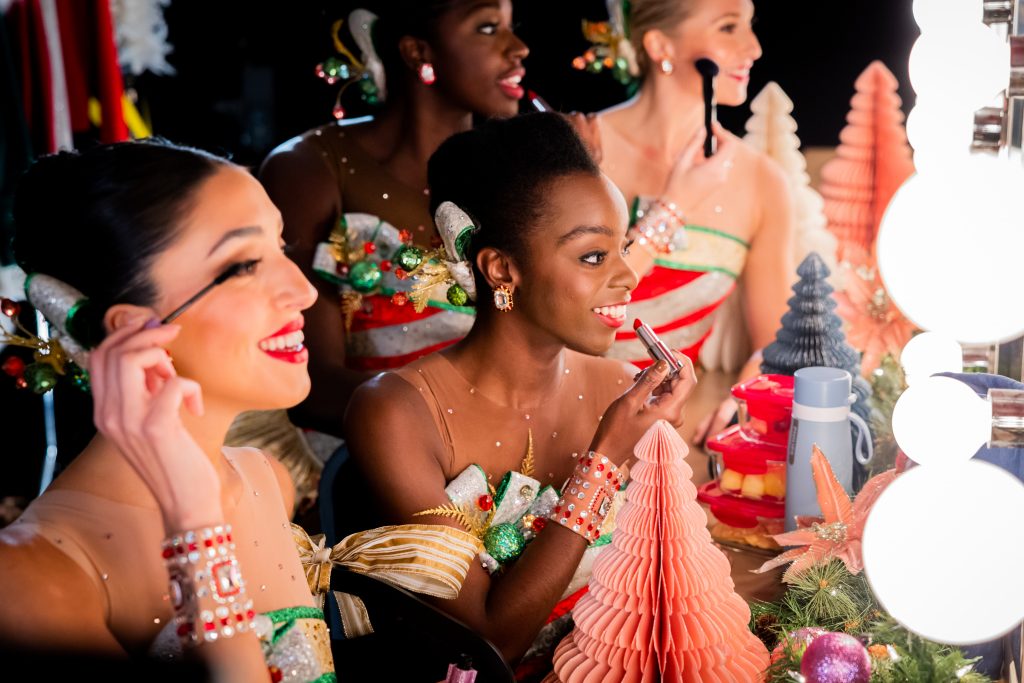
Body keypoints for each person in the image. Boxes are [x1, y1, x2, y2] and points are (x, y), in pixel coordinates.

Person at [338, 113, 697, 674]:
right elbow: (487, 642)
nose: (629, 275)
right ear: (502, 268)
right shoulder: (397, 414)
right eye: (594, 257)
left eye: (623, 248)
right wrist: (604, 461)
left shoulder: (621, 389)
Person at [0, 140, 330, 683]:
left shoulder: (263, 477)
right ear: (130, 329)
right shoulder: (34, 577)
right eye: (244, 265)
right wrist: (195, 525)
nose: (304, 290)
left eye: (282, 246)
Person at [259, 0, 530, 438]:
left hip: (515, 454)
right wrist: (467, 427)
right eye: (486, 28)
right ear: (417, 52)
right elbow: (311, 384)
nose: (518, 47)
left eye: (510, 27)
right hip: (358, 469)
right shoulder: (310, 170)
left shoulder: (523, 173)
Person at [582, 0, 794, 444]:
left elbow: (773, 343)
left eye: (750, 26)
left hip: (674, 444)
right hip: (555, 430)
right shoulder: (576, 148)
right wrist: (675, 207)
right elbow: (566, 309)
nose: (753, 47)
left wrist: (747, 397)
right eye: (728, 27)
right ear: (660, 44)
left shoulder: (762, 182)